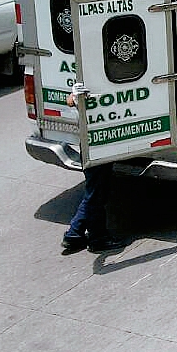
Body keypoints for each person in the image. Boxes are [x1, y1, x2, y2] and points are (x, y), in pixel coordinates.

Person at [60, 83, 128, 255]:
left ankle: (74, 234)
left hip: (93, 140)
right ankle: (97, 238)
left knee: (97, 190)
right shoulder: (91, 77)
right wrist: (78, 97)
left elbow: (69, 100)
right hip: (95, 142)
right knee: (96, 192)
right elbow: (70, 100)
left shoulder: (89, 76)